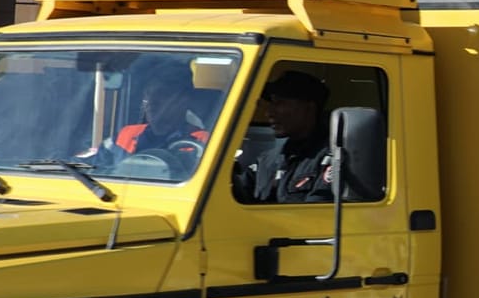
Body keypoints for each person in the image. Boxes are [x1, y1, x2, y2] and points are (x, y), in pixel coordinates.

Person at [234, 69, 336, 204]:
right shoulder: (267, 160)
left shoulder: (331, 158)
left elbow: (316, 216)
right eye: (270, 103)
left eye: (280, 103)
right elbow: (239, 199)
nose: (269, 113)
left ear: (309, 108)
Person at [117, 65, 211, 161]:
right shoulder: (126, 135)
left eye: (161, 95)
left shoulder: (203, 142)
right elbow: (102, 167)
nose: (151, 103)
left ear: (184, 100)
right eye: (148, 94)